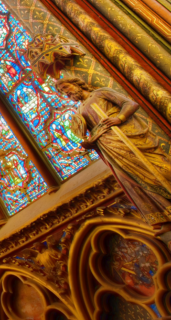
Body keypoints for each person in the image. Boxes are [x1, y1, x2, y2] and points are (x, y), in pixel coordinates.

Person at [57, 78, 171, 222]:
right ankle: (164, 212)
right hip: (109, 148)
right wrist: (89, 143)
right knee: (129, 178)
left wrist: (119, 118)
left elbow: (130, 104)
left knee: (155, 166)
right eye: (62, 91)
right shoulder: (79, 111)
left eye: (66, 87)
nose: (66, 92)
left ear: (76, 84)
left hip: (126, 136)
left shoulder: (100, 93)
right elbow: (90, 133)